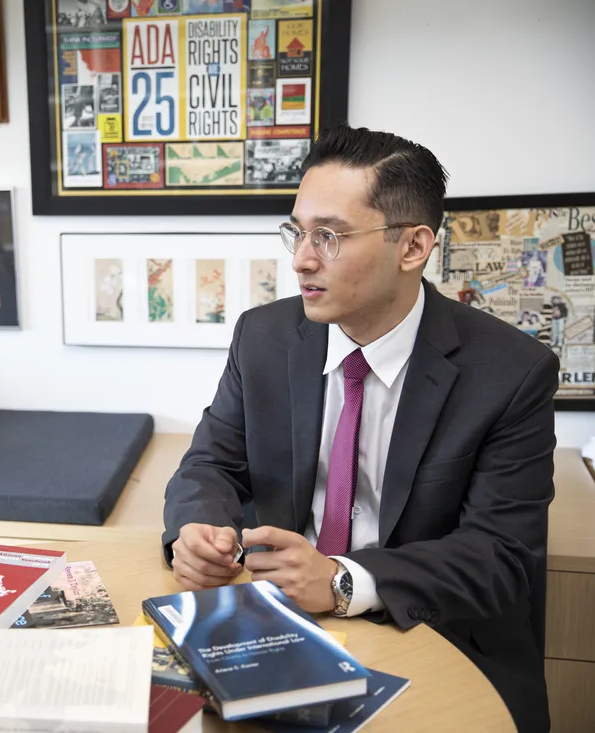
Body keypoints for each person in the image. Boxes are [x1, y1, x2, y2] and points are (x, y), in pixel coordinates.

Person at [162, 125, 555, 733]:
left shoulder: (511, 372)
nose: (301, 259)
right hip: (278, 620)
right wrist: (198, 531)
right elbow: (211, 463)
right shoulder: (263, 337)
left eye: (331, 236)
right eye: (297, 231)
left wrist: (345, 582)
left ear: (413, 247)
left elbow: (502, 558)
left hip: (430, 631)